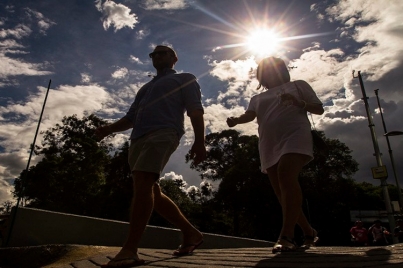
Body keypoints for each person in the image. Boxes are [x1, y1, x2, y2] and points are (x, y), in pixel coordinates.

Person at [96, 45, 206, 267]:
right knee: (150, 189)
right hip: (138, 139)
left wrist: (200, 142)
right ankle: (191, 233)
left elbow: (195, 109)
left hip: (164, 132)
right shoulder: (145, 88)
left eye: (162, 52)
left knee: (144, 182)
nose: (157, 56)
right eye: (153, 54)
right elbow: (130, 118)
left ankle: (129, 250)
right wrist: (107, 129)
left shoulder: (185, 78)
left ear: (174, 57)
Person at [226, 57, 324, 253]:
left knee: (286, 175)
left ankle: (286, 236)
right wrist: (237, 119)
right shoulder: (257, 98)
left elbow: (318, 108)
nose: (270, 72)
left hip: (295, 135)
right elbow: (250, 114)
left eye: (275, 68)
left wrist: (298, 102)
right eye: (265, 70)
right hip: (269, 142)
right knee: (281, 191)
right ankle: (308, 231)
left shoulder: (298, 85)